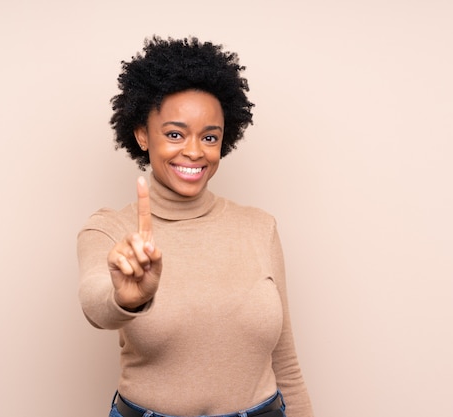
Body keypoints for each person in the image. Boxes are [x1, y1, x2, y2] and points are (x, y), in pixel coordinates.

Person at [77, 36, 314, 417]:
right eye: (174, 133)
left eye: (209, 137)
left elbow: (284, 361)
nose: (194, 150)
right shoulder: (109, 228)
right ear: (142, 135)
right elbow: (96, 303)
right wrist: (127, 297)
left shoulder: (260, 227)